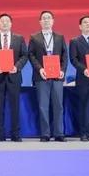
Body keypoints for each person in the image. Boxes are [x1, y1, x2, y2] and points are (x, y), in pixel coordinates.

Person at [0, 14, 28, 142]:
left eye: (7, 21)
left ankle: (15, 134)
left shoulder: (19, 38)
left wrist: (17, 67)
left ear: (11, 24)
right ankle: (0, 134)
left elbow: (24, 56)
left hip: (14, 76)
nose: (4, 23)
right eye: (2, 21)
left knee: (15, 106)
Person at [28, 10, 68, 142]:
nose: (46, 20)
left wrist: (62, 70)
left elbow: (65, 55)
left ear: (53, 21)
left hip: (57, 76)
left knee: (58, 106)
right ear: (40, 22)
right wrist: (40, 69)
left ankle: (59, 133)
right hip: (42, 76)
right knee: (43, 106)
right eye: (44, 18)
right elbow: (31, 55)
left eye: (48, 18)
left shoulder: (60, 37)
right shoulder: (34, 37)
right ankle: (45, 133)